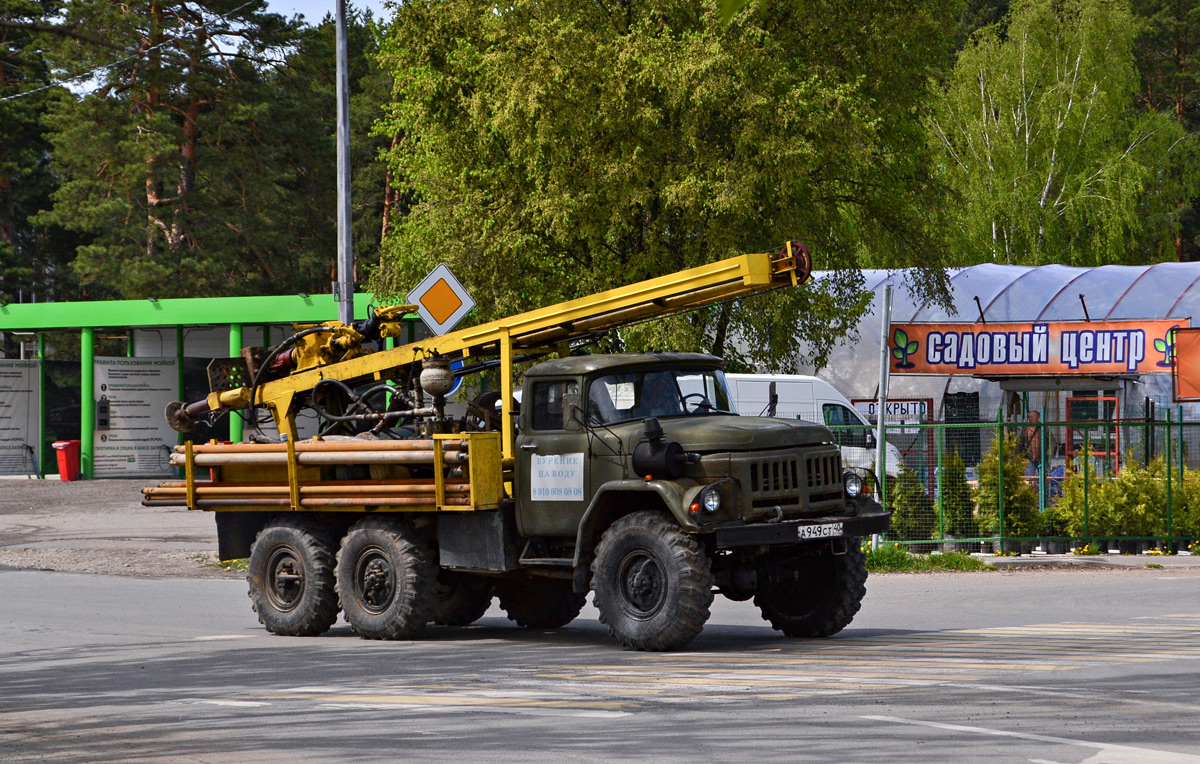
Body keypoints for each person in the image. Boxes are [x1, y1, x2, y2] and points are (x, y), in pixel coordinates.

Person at [1022, 411, 1042, 476]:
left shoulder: (1043, 428)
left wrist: (1049, 453)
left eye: (1032, 417)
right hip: (1029, 458)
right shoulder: (1026, 429)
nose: (1030, 419)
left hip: (1042, 458)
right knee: (1029, 477)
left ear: (1038, 418)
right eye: (1029, 417)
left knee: (1044, 477)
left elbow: (1052, 441)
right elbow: (1020, 442)